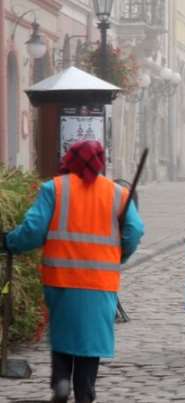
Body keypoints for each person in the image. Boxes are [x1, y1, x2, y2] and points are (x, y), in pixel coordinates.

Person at [1, 140, 144, 403]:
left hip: (62, 281)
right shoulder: (117, 194)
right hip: (101, 282)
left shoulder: (54, 189)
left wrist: (9, 242)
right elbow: (134, 231)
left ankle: (62, 386)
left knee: (64, 337)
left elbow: (33, 230)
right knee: (91, 343)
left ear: (70, 159)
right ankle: (85, 393)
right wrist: (119, 254)